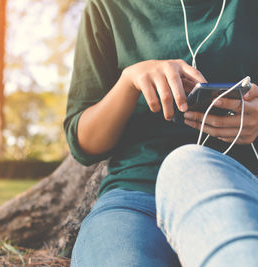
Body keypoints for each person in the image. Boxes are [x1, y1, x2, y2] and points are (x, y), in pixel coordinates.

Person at [63, 0, 258, 266]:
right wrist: (128, 82)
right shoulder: (107, 7)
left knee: (188, 163)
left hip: (236, 186)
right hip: (136, 199)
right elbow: (84, 146)